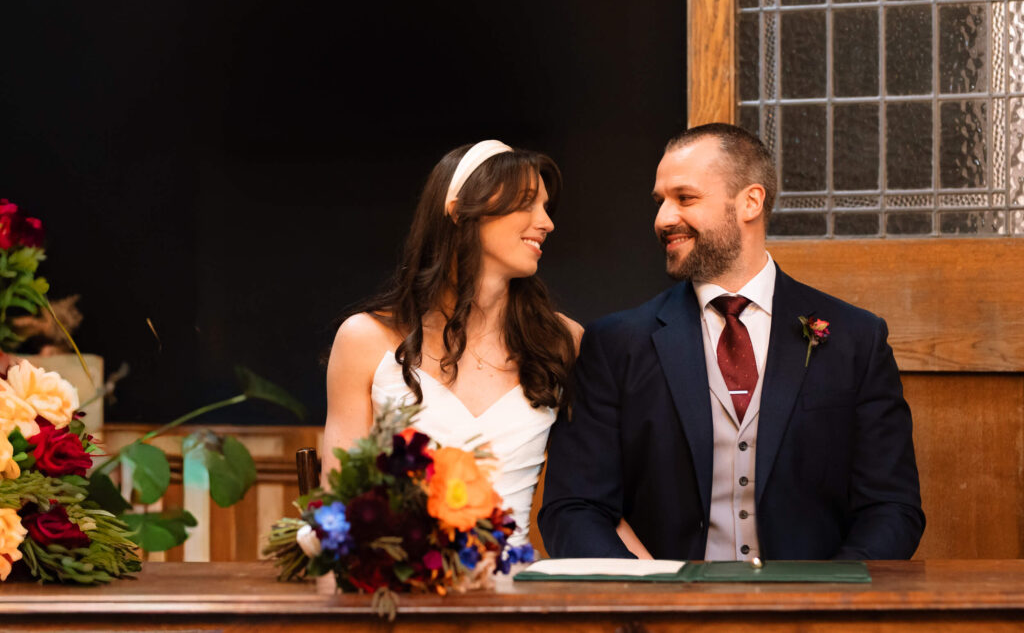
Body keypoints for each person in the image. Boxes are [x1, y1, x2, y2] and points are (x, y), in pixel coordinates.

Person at [539, 123, 925, 561]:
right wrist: (650, 600)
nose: (663, 219)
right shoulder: (615, 344)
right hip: (665, 622)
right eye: (660, 201)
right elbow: (572, 509)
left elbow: (892, 508)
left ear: (750, 202)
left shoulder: (857, 338)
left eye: (684, 198)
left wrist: (824, 605)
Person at [323, 140, 582, 545]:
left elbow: (591, 489)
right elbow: (336, 508)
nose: (546, 222)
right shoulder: (365, 340)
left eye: (546, 208)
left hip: (513, 593)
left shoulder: (562, 342)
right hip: (401, 592)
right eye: (527, 202)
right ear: (460, 209)